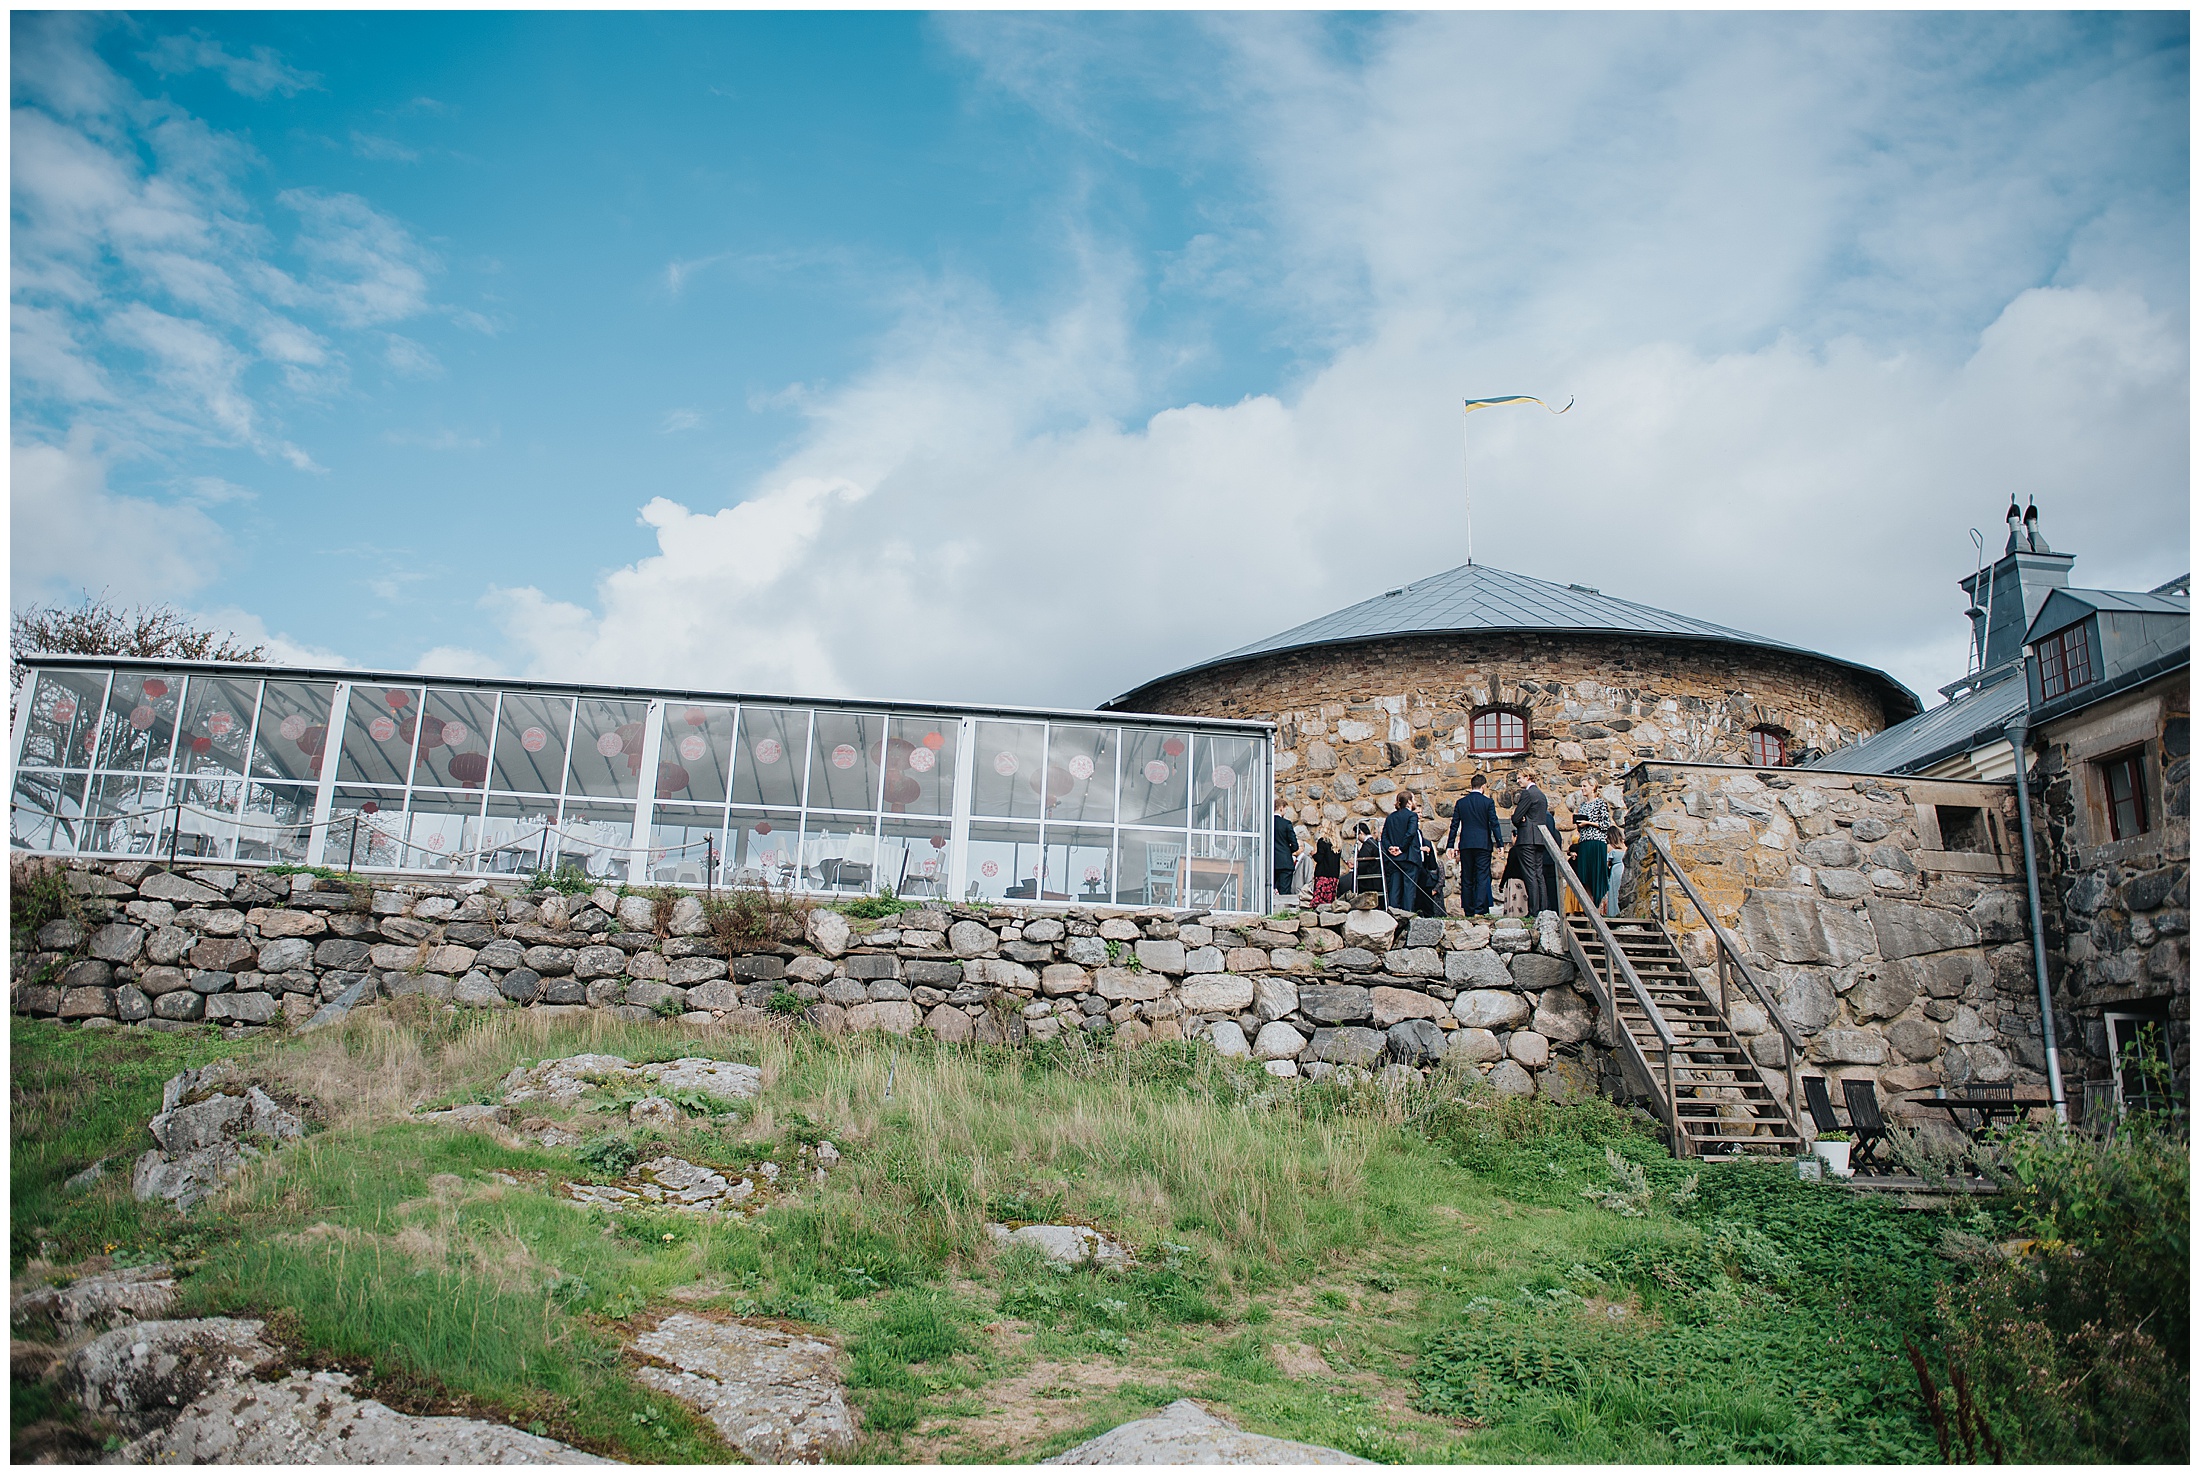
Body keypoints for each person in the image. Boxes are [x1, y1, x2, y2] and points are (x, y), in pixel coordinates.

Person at [1445, 773, 1499, 915]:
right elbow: (1494, 823)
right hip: (1482, 843)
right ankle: (1480, 909)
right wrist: (1499, 843)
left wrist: (1450, 845)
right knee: (1482, 876)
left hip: (1466, 843)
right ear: (1483, 786)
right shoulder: (1488, 802)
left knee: (1467, 876)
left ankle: (1468, 909)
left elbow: (1454, 825)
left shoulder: (1461, 803)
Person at [1510, 770, 1559, 915]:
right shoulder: (1541, 795)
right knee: (1539, 874)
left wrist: (1520, 818)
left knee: (1530, 874)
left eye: (1520, 778)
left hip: (1527, 838)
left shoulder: (1528, 793)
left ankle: (1534, 909)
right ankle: (1543, 908)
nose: (1518, 781)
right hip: (1539, 838)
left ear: (1528, 777)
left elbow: (1516, 817)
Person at [1570, 778, 1614, 912]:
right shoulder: (1583, 806)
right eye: (1581, 786)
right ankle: (1589, 907)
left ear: (1593, 787)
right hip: (1584, 841)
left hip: (1596, 842)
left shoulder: (1600, 803)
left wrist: (1588, 823)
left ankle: (1597, 906)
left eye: (1585, 786)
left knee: (1596, 874)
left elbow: (1606, 824)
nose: (1582, 788)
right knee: (1584, 875)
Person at [1380, 792, 1424, 913]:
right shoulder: (1412, 816)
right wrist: (1400, 848)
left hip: (1393, 859)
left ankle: (1393, 915)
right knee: (1409, 890)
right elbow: (1410, 833)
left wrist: (1390, 848)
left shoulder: (1390, 817)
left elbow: (1384, 836)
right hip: (1408, 857)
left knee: (1394, 889)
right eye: (1413, 799)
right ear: (1409, 802)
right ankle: (1407, 915)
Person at [1272, 798, 1301, 904]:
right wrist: (1288, 849)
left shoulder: (1267, 823)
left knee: (1269, 890)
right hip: (1284, 861)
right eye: (1285, 809)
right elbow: (1295, 846)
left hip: (1270, 861)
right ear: (1281, 808)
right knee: (1284, 892)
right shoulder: (1286, 824)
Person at [1351, 822, 1384, 897]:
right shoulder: (1374, 842)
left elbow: (1363, 861)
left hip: (1369, 879)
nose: (1357, 838)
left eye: (1357, 835)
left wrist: (1355, 868)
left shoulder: (1368, 844)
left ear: (1361, 832)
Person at [1309, 830, 1342, 906]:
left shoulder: (1322, 841)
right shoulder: (1337, 843)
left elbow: (1319, 858)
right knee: (1329, 900)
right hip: (1333, 875)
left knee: (1319, 900)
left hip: (1322, 874)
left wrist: (1314, 854)